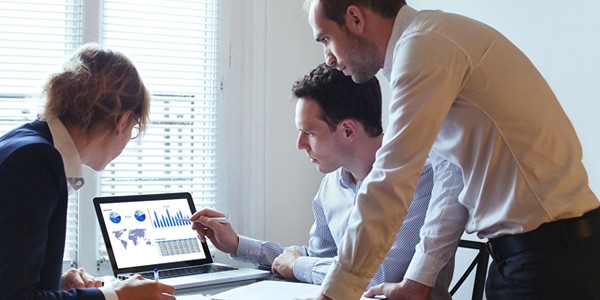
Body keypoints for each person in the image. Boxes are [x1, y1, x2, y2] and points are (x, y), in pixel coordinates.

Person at [303, 0, 600, 299]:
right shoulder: (426, 43)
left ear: (355, 18)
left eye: (326, 39)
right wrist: (419, 279)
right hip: (536, 258)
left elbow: (391, 180)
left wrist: (335, 293)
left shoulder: (424, 47)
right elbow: (451, 174)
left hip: (549, 262)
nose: (327, 57)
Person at [190, 63, 460, 299]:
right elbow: (317, 257)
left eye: (309, 133)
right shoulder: (331, 187)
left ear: (347, 130)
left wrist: (298, 266)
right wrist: (238, 244)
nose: (299, 144)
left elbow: (376, 276)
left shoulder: (420, 176)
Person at [0, 43, 175, 299]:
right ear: (123, 120)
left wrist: (56, 283)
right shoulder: (35, 161)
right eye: (134, 128)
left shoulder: (24, 143)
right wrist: (116, 296)